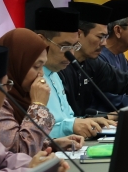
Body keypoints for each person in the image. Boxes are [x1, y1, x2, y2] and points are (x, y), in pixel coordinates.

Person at [0, 28, 84, 155]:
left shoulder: (22, 94)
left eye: (42, 66)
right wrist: (38, 106)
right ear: (16, 64)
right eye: (36, 66)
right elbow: (21, 151)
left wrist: (51, 145)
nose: (41, 74)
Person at [35, 7, 112, 139]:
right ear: (42, 41)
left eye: (75, 46)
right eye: (64, 46)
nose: (71, 54)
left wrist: (89, 122)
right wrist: (71, 126)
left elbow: (67, 118)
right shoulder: (29, 79)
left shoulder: (55, 73)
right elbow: (33, 133)